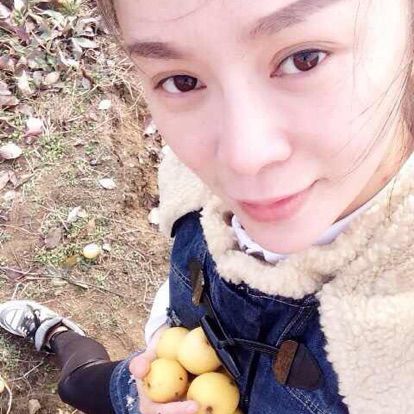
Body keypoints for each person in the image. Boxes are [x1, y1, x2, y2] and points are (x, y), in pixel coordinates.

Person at [1, 0, 414, 412]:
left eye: (304, 59)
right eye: (182, 81)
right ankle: (60, 337)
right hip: (173, 379)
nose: (242, 157)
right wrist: (164, 340)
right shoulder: (189, 179)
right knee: (75, 387)